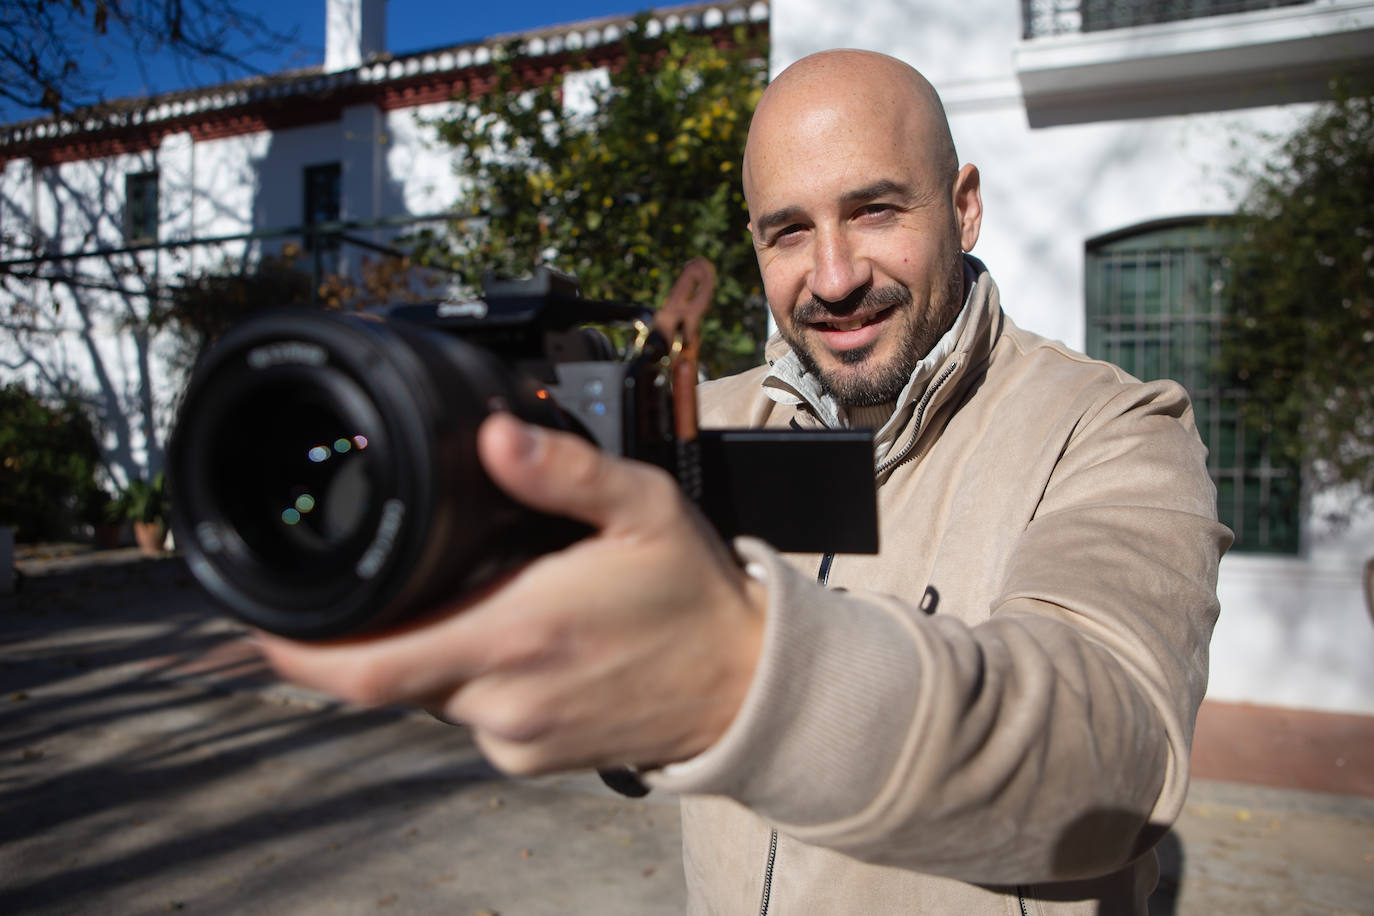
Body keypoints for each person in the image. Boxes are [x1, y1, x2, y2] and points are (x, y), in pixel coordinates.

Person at [260, 49, 1231, 914]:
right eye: (788, 232)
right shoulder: (694, 427)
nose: (835, 274)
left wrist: (742, 676)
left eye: (875, 210)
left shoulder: (1114, 430)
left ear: (964, 204)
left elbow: (1110, 761)